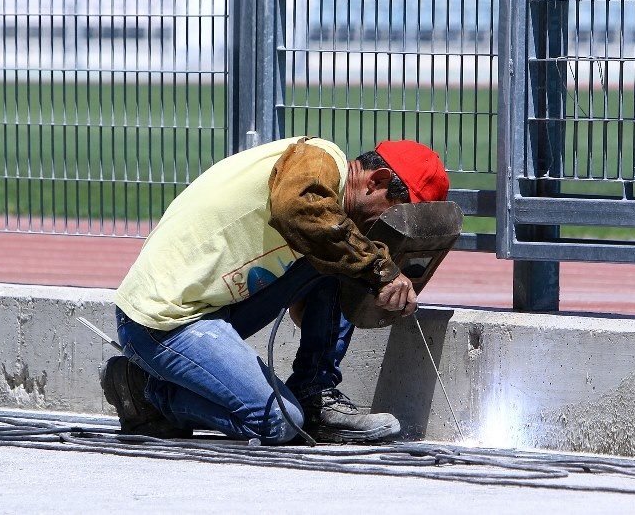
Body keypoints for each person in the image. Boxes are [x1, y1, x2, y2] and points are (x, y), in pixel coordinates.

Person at [101, 135, 449, 444]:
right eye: (394, 214)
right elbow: (297, 210)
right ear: (377, 180)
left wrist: (365, 283)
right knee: (281, 423)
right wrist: (379, 269)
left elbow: (308, 302)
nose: (388, 227)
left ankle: (314, 393)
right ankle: (145, 391)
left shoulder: (331, 212)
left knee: (341, 258)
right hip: (162, 320)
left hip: (209, 307)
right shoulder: (318, 157)